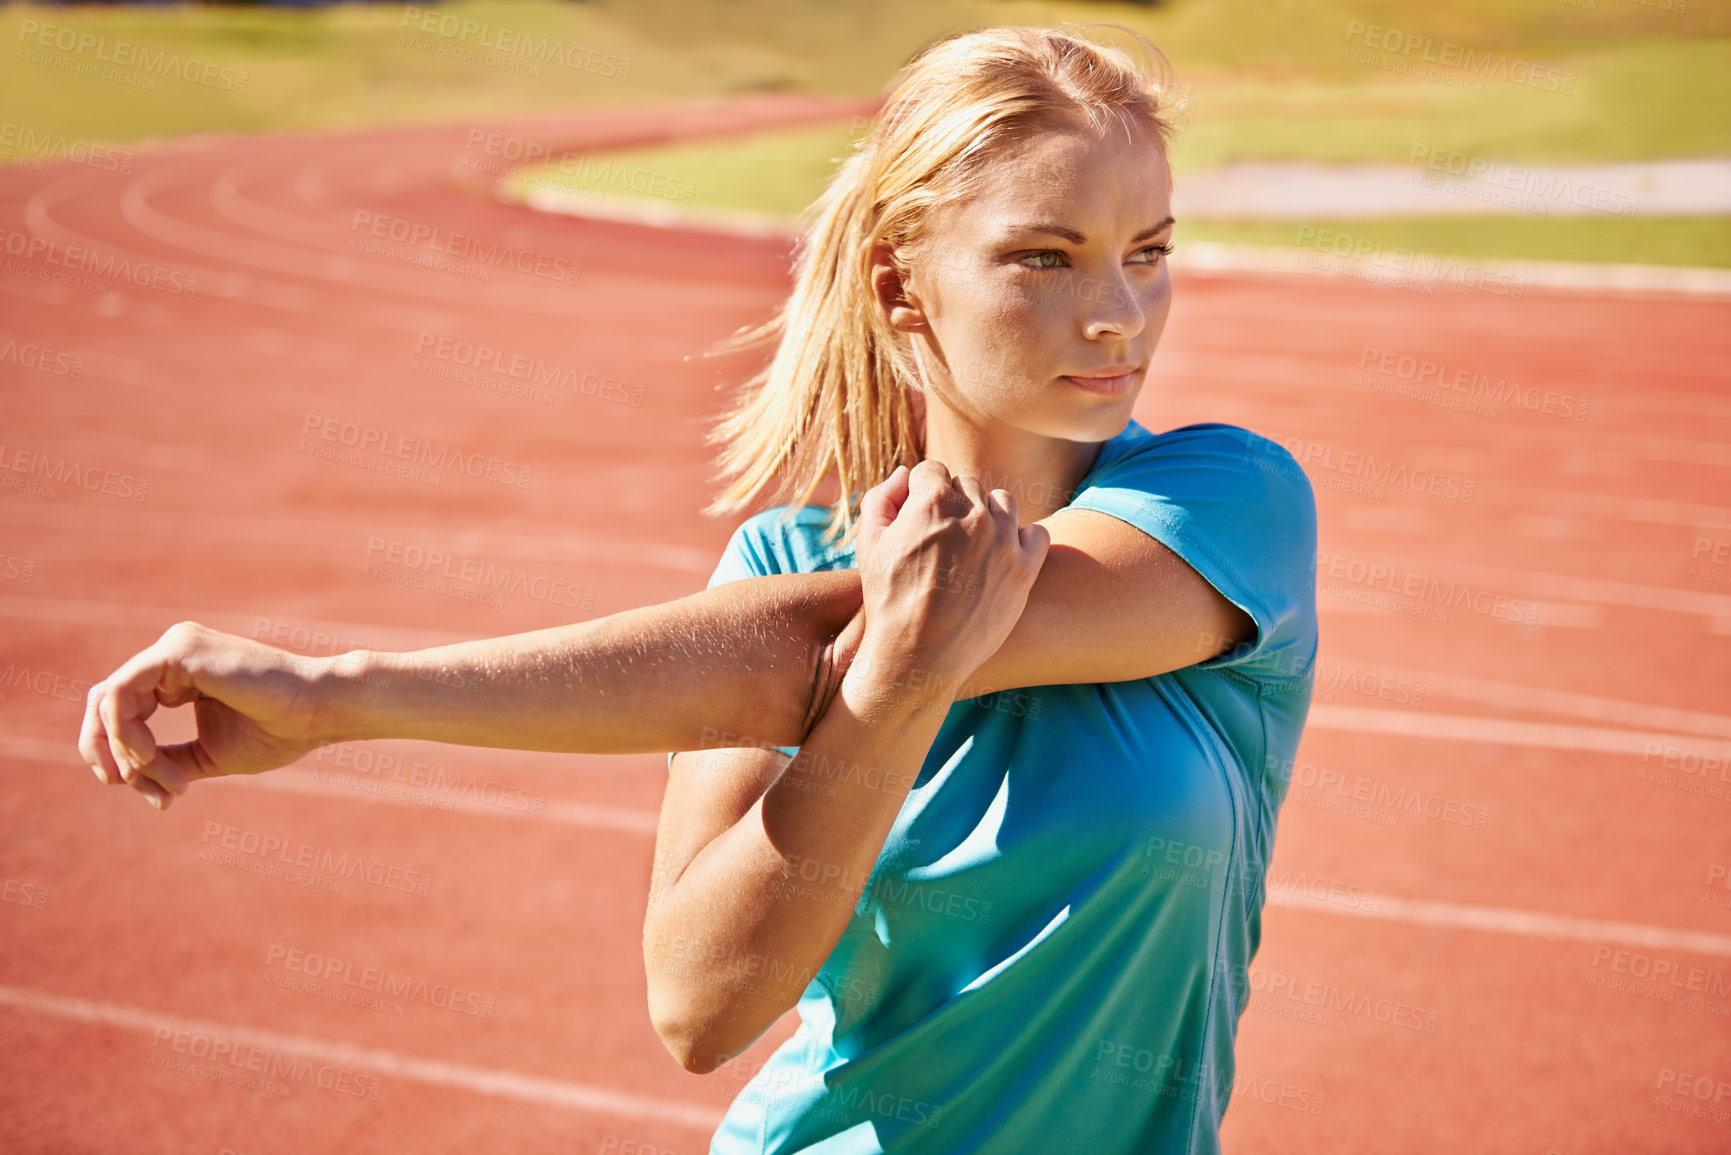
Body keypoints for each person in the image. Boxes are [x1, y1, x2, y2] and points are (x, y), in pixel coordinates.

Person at [77, 24, 1316, 1155]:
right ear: (900, 291)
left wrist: (336, 692)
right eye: (1045, 258)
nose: (1118, 315)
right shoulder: (778, 562)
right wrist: (892, 691)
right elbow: (701, 1008)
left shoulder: (1226, 505)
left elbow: (814, 646)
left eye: (1148, 253)